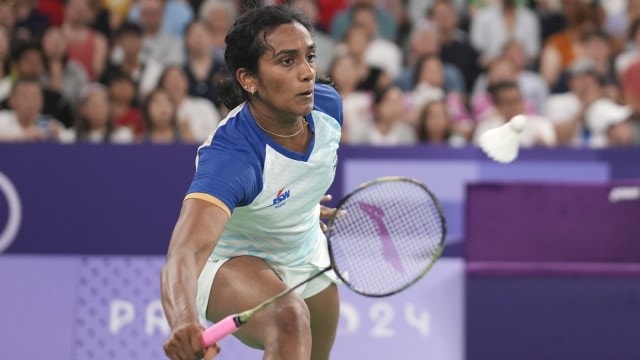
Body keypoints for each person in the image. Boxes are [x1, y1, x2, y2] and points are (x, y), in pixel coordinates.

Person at [160, 2, 343, 359]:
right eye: (287, 61)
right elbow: (185, 251)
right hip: (231, 259)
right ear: (249, 79)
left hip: (302, 250)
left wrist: (301, 205)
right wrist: (184, 320)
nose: (307, 73)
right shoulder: (234, 156)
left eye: (309, 57)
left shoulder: (327, 108)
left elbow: (294, 179)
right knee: (289, 319)